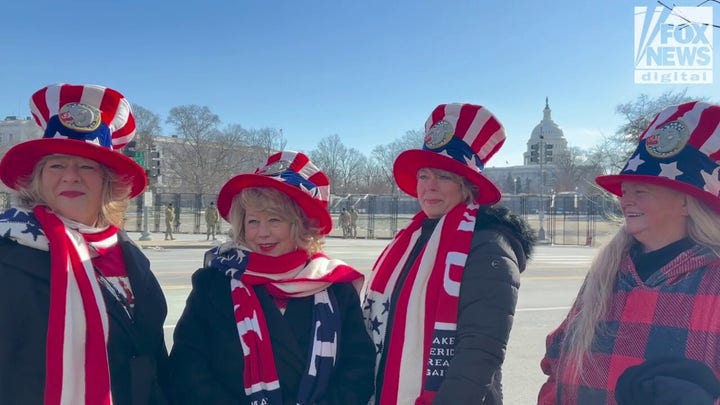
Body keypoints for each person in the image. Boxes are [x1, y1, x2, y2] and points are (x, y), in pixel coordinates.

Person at [538, 101, 720, 405]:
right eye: (626, 191)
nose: (626, 201)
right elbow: (557, 356)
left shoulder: (713, 279)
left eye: (641, 191)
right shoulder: (608, 270)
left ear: (688, 202)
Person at [0, 83, 169, 404]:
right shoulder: (9, 251)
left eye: (87, 165)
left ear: (108, 181)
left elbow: (152, 353)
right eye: (57, 165)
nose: (71, 175)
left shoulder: (129, 254)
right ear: (38, 179)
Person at [169, 151, 375, 404]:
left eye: (274, 220)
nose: (262, 233)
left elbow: (357, 368)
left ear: (300, 224)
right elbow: (188, 365)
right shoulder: (215, 282)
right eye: (253, 221)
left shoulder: (335, 286)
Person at [363, 103, 535, 404]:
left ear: (467, 185)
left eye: (443, 177)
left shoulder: (488, 245)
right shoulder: (413, 239)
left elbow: (480, 351)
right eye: (423, 176)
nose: (429, 187)